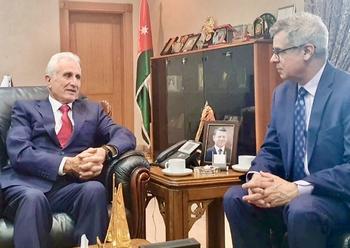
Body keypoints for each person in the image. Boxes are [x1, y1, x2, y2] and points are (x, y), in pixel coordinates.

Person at [224, 12, 350, 248]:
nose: (273, 59)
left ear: (307, 51)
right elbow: (272, 150)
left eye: (279, 51)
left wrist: (298, 189)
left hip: (335, 199)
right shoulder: (282, 94)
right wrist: (257, 178)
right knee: (237, 197)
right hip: (289, 194)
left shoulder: (346, 91)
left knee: (302, 208)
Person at [0, 52, 136, 248]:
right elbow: (19, 152)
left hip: (67, 189)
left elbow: (125, 135)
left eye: (78, 77)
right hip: (27, 185)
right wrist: (67, 164)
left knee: (94, 189)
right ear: (49, 80)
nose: (74, 82)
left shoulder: (92, 111)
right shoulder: (25, 109)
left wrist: (105, 151)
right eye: (67, 75)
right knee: (34, 199)